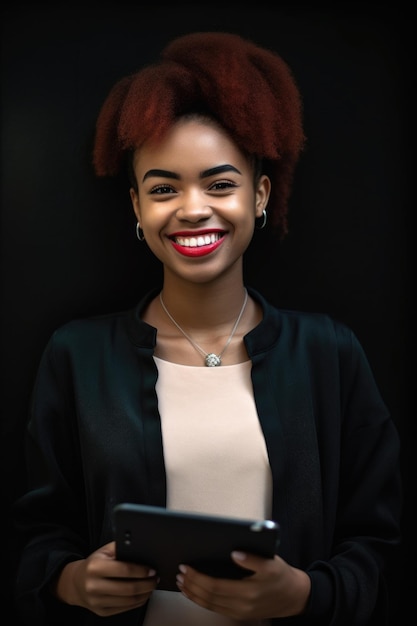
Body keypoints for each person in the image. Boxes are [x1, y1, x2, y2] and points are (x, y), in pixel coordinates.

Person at [13, 31, 402, 625]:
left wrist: (304, 595)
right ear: (138, 208)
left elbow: (379, 545)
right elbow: (35, 536)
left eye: (221, 184)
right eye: (163, 188)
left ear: (260, 194)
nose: (193, 208)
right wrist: (70, 583)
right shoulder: (77, 356)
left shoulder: (329, 353)